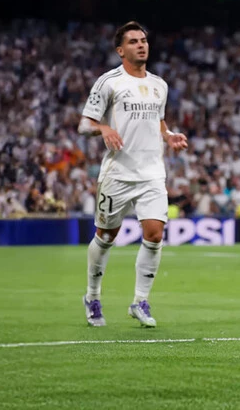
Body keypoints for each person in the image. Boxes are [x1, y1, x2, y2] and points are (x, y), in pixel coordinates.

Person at [78, 21, 188, 327]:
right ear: (120, 50)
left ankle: (140, 301)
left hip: (152, 173)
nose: (141, 45)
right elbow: (84, 124)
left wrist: (169, 136)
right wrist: (103, 128)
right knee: (106, 236)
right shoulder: (109, 82)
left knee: (154, 234)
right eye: (133, 41)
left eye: (143, 40)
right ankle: (92, 296)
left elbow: (159, 121)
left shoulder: (159, 85)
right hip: (118, 173)